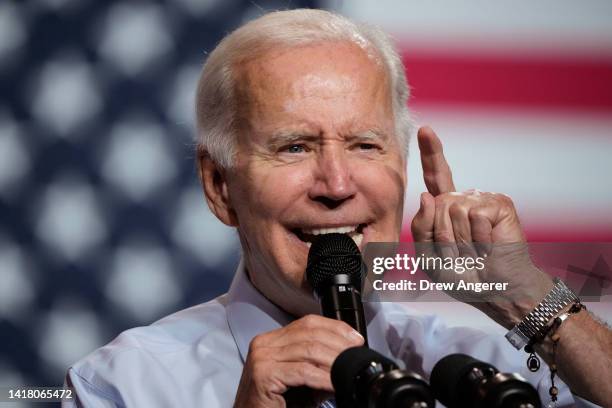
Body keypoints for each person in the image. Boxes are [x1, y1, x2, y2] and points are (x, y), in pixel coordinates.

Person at [64, 9, 612, 408]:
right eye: (295, 147)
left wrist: (525, 296)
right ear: (219, 186)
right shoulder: (122, 384)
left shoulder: (486, 375)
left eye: (365, 145)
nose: (336, 184)